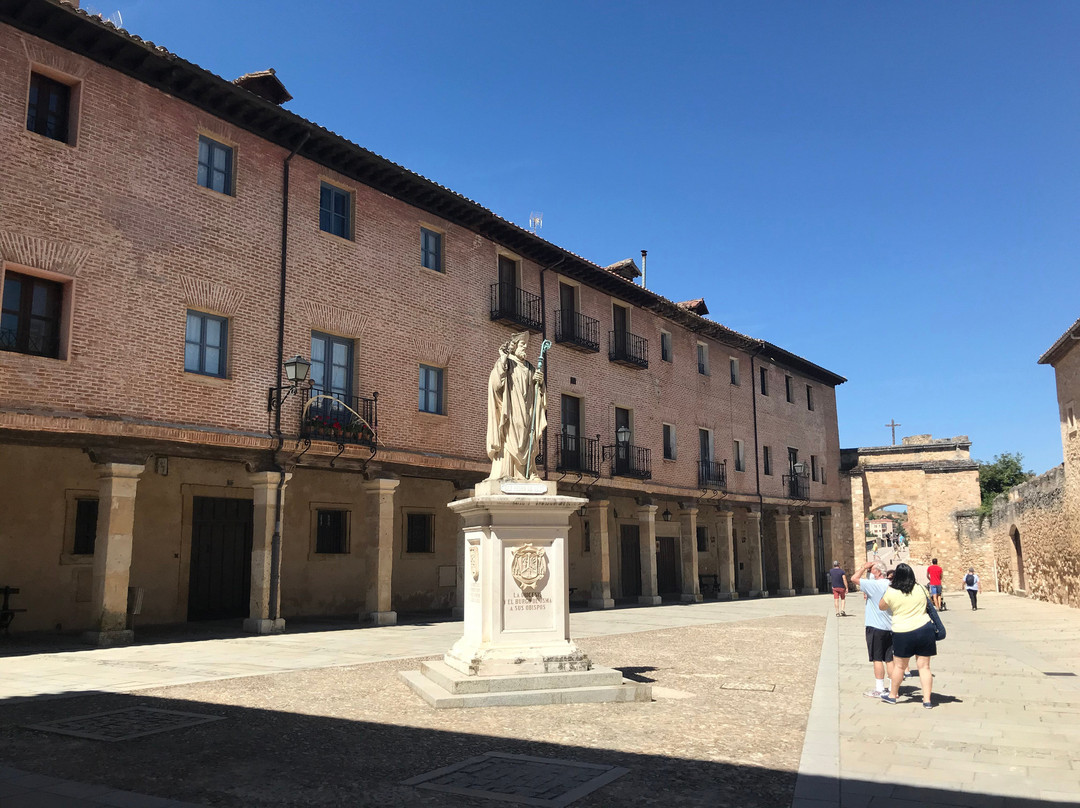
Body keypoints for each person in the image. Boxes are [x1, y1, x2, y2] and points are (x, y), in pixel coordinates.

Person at [485, 331, 546, 481]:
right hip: (511, 412)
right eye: (522, 344)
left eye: (526, 345)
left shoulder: (531, 368)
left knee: (528, 438)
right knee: (510, 438)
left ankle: (529, 472)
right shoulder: (506, 363)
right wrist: (502, 360)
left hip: (527, 412)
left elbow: (539, 394)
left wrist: (540, 382)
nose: (525, 347)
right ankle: (506, 471)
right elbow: (496, 384)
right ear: (514, 347)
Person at [877, 562, 936, 709]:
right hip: (924, 629)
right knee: (924, 667)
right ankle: (927, 700)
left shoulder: (892, 592)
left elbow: (881, 606)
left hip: (902, 632)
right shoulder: (922, 589)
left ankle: (892, 695)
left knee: (899, 666)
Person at [851, 560, 893, 698]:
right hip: (890, 626)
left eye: (872, 570)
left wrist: (864, 567)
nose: (870, 572)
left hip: (875, 626)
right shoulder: (891, 585)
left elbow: (854, 578)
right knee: (890, 659)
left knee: (877, 659)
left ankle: (880, 689)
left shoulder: (873, 585)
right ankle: (893, 688)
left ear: (878, 572)